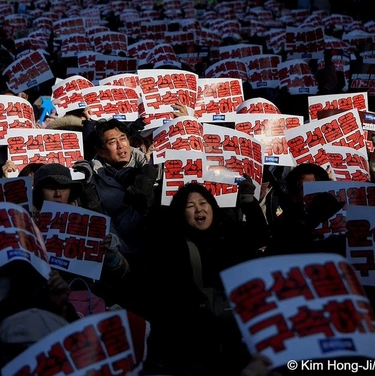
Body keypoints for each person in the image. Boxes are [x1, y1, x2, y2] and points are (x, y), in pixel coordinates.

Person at [143, 181, 268, 375]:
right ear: (180, 212)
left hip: (234, 338)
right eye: (190, 206)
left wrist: (248, 201)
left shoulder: (230, 232)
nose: (199, 209)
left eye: (203, 203)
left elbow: (260, 236)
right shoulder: (172, 245)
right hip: (192, 344)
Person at [73, 119, 159, 256]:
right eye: (112, 142)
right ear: (101, 151)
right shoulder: (92, 179)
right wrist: (123, 255)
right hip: (121, 255)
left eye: (123, 138)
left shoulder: (153, 167)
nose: (120, 146)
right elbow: (103, 222)